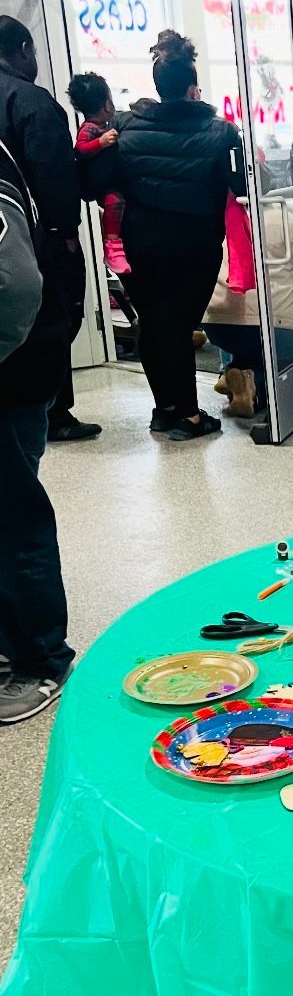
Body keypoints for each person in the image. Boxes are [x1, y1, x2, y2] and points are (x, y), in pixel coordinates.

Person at [81, 30, 244, 441]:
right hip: (194, 245)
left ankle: (164, 409)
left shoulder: (123, 127)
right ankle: (187, 415)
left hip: (139, 244)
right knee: (177, 325)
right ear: (192, 89)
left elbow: (97, 180)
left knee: (155, 324)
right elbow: (240, 184)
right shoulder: (220, 131)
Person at [0, 137, 76, 723]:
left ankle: (40, 661)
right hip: (25, 357)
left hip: (13, 367)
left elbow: (16, 286)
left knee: (12, 515)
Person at [0, 15, 100, 443]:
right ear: (24, 50)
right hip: (37, 237)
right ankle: (54, 411)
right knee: (56, 318)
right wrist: (66, 232)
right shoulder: (32, 102)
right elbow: (53, 175)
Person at [68, 70, 135, 327]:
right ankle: (112, 246)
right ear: (107, 103)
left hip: (112, 181)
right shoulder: (89, 129)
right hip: (103, 185)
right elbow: (81, 150)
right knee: (114, 204)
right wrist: (102, 143)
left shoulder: (108, 125)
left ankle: (115, 245)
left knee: (119, 203)